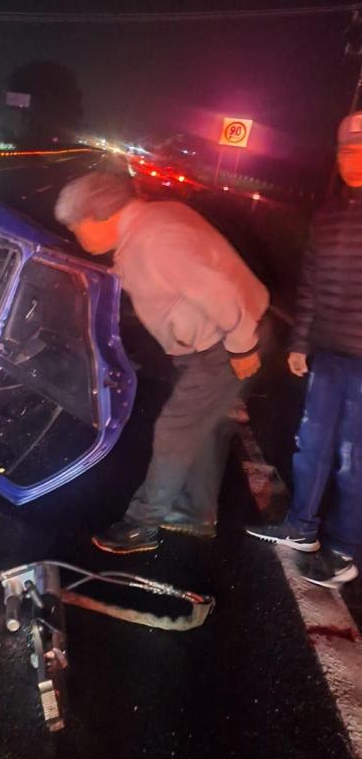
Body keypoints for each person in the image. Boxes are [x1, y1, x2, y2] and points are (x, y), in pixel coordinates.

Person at [54, 170, 269, 554]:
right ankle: (196, 513)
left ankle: (142, 524)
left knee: (175, 430)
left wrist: (242, 347)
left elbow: (217, 291)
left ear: (102, 215)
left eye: (77, 226)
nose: (77, 236)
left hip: (224, 342)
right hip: (212, 341)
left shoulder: (156, 239)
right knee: (201, 429)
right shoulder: (149, 225)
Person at [245, 113, 362, 587]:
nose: (351, 158)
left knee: (356, 460)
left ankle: (345, 550)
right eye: (345, 151)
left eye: (359, 150)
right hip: (330, 354)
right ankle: (302, 525)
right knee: (311, 445)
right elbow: (311, 286)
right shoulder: (331, 214)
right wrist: (300, 343)